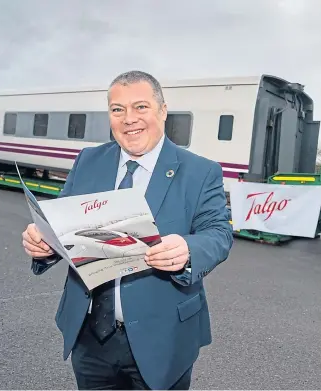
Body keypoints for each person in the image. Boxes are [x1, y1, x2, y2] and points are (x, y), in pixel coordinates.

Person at [22, 70, 233, 390]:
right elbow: (62, 220)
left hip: (164, 338)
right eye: (118, 109)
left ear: (163, 111)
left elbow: (218, 232)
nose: (129, 118)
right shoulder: (88, 160)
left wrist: (188, 249)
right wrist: (44, 241)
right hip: (90, 336)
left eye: (141, 107)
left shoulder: (201, 171)